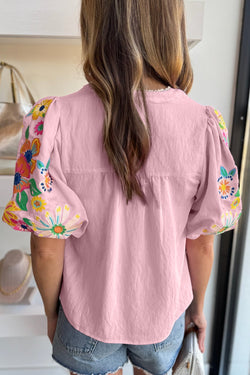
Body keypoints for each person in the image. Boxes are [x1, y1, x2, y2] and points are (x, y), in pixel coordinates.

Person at [1, 1, 243, 375]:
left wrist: (53, 315)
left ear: (94, 28)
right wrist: (196, 309)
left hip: (87, 318)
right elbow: (203, 241)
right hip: (163, 319)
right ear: (171, 30)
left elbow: (46, 248)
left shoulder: (52, 121)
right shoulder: (204, 126)